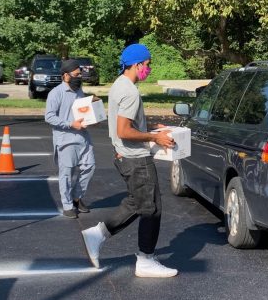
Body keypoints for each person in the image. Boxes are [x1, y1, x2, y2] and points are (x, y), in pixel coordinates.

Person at [81, 44, 178, 278]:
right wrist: (155, 137)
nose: (149, 68)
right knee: (151, 209)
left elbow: (125, 123)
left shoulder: (119, 85)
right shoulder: (131, 92)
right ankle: (146, 260)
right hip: (136, 159)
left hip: (125, 156)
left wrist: (149, 127)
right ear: (137, 65)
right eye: (148, 64)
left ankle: (97, 234)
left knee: (137, 202)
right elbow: (124, 130)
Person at [45, 59, 95, 219]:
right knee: (66, 174)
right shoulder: (56, 93)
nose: (79, 77)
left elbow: (82, 110)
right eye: (76, 74)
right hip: (65, 140)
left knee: (90, 166)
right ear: (66, 75)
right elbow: (49, 117)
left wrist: (91, 117)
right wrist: (70, 124)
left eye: (80, 74)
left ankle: (76, 197)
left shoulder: (79, 90)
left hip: (83, 138)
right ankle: (67, 205)